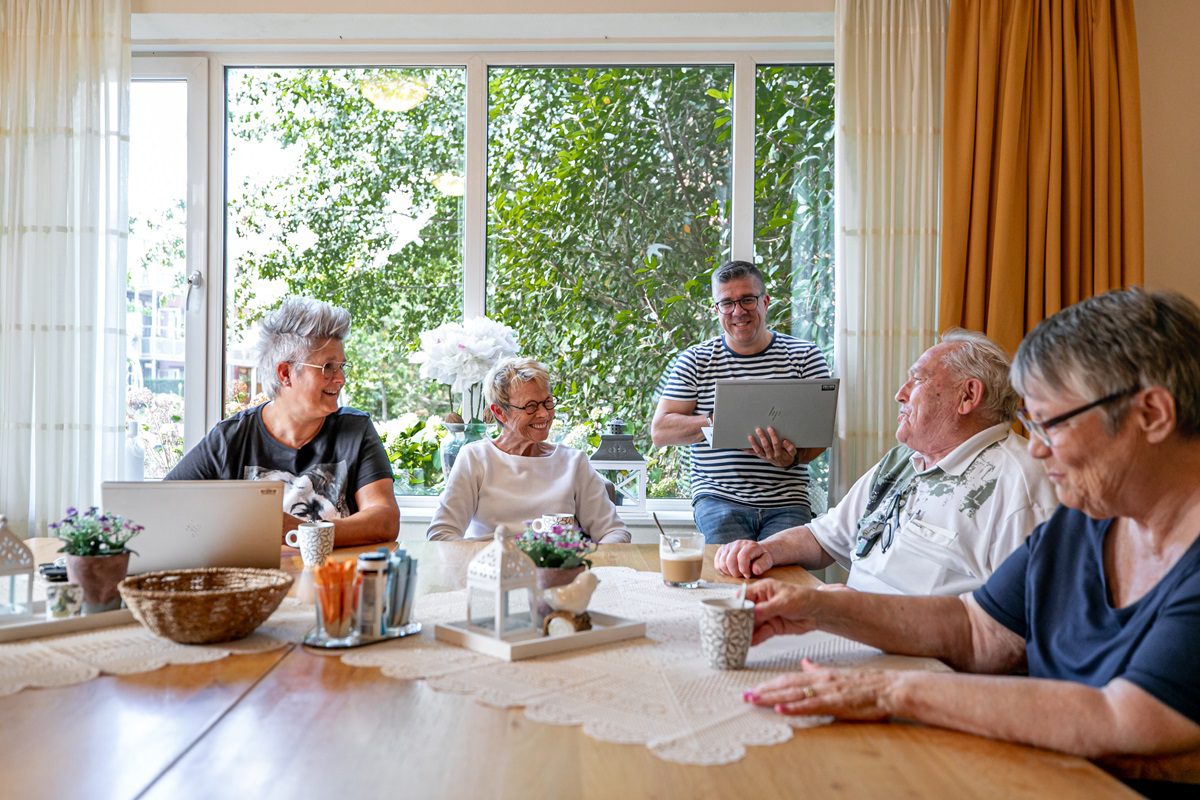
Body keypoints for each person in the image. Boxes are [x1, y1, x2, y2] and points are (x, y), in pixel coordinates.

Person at [741, 288, 1200, 789]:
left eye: (1050, 424)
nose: (1038, 450)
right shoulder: (1083, 523)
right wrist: (820, 607)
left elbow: (1126, 721)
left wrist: (890, 692)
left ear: (1152, 414)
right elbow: (979, 629)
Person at [715, 329, 1057, 595]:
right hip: (854, 635)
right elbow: (825, 538)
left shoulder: (1022, 482)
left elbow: (1014, 631)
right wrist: (764, 550)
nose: (900, 393)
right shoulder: (903, 460)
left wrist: (856, 613)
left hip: (921, 668)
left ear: (968, 395)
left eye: (918, 379)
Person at [166, 297, 399, 547]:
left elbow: (384, 520)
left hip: (332, 583)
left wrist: (304, 531)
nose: (340, 379)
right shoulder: (229, 439)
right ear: (285, 373)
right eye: (328, 367)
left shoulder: (355, 430)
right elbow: (167, 505)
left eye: (342, 367)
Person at [651, 260, 831, 544]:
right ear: (716, 310)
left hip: (787, 500)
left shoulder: (805, 356)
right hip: (718, 498)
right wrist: (719, 419)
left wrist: (792, 459)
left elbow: (821, 432)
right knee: (731, 577)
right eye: (727, 303)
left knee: (780, 580)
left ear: (765, 301)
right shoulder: (695, 360)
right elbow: (661, 431)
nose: (738, 311)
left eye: (747, 300)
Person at [426, 357, 631, 544]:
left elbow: (614, 532)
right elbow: (441, 534)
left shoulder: (573, 462)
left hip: (558, 575)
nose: (543, 414)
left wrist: (587, 563)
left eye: (547, 402)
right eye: (530, 406)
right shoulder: (476, 458)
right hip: (492, 575)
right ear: (499, 412)